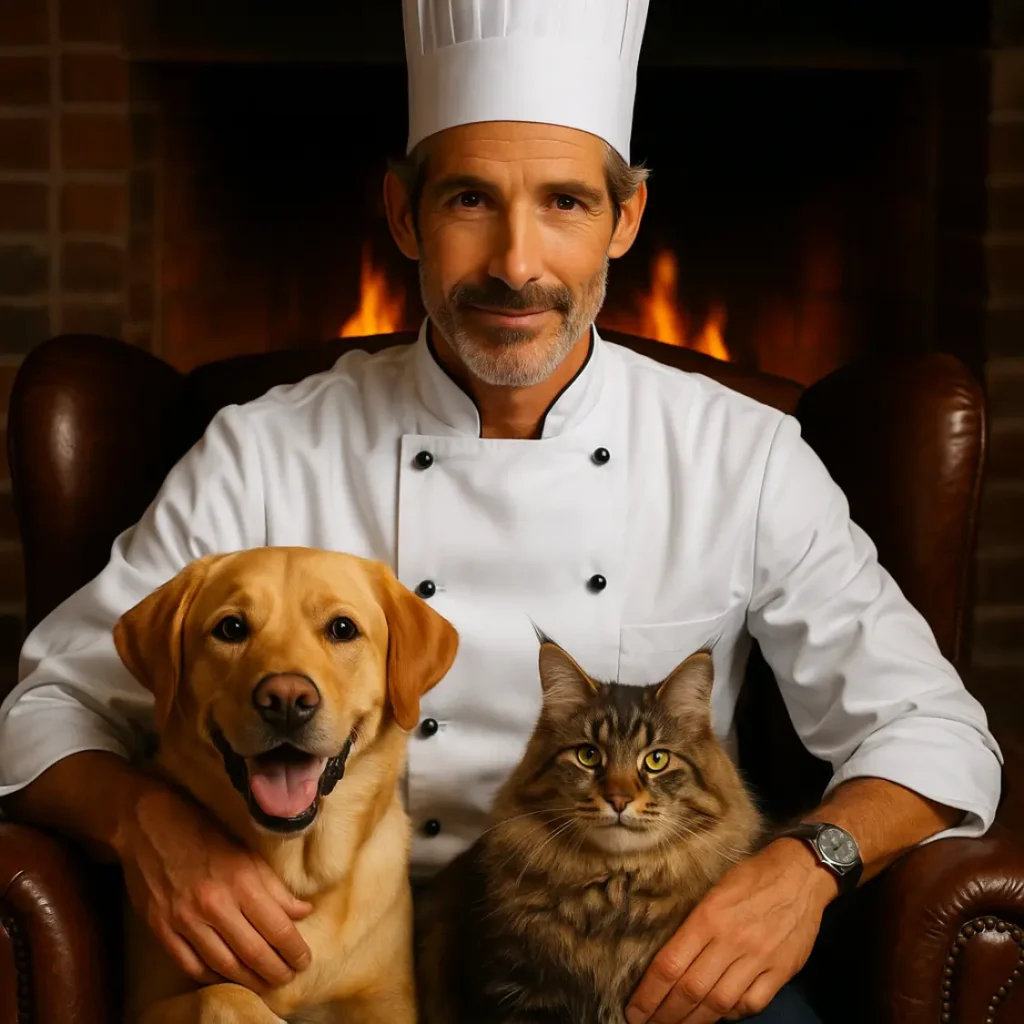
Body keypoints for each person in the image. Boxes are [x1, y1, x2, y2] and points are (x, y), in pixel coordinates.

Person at [0, 1, 1002, 1021]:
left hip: (632, 961)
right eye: (472, 199)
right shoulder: (262, 448)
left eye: (564, 203)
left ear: (625, 221)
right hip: (327, 958)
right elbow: (44, 709)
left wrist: (804, 866)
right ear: (403, 215)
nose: (516, 264)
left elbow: (935, 730)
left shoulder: (737, 453)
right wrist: (145, 828)